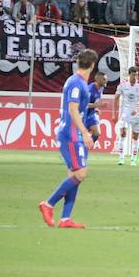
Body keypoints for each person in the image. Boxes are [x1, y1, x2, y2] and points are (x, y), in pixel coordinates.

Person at [38, 48, 99, 229]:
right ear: (93, 65)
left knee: (74, 175)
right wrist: (85, 132)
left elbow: (77, 108)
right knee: (81, 173)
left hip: (74, 133)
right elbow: (73, 110)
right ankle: (48, 204)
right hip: (71, 134)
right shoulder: (76, 83)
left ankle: (65, 219)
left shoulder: (76, 82)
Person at [114, 67, 139, 166]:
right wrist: (114, 113)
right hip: (125, 113)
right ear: (129, 75)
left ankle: (133, 159)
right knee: (123, 134)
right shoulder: (123, 85)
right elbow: (116, 98)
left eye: (136, 75)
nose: (135, 77)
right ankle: (121, 158)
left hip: (136, 114)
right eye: (133, 75)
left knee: (135, 137)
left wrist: (137, 109)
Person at [84, 72, 107, 143]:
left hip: (91, 114)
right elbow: (84, 105)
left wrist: (96, 109)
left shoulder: (101, 88)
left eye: (106, 79)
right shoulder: (90, 90)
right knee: (79, 137)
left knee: (96, 133)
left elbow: (96, 100)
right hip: (83, 115)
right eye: (104, 79)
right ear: (98, 80)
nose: (106, 81)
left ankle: (85, 149)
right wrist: (98, 105)